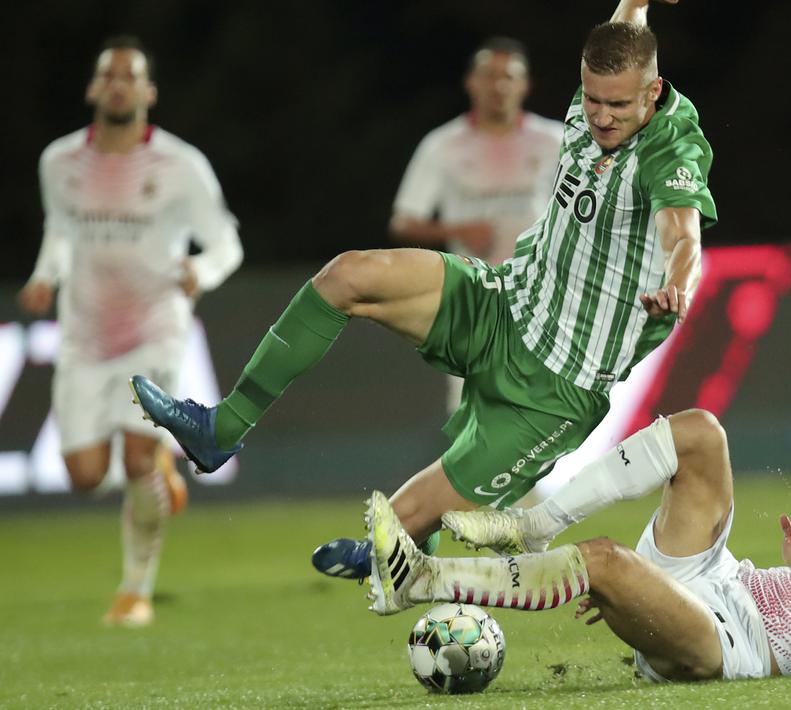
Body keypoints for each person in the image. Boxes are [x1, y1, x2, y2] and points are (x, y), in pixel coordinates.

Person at [131, 0, 714, 571]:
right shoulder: (611, 79)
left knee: (397, 529)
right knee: (347, 275)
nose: (601, 117)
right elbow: (627, 25)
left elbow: (681, 234)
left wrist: (679, 284)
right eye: (591, 99)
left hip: (554, 391)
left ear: (653, 92)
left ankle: (399, 550)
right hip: (504, 301)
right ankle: (220, 430)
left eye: (617, 105)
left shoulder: (669, 151)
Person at [365, 409, 791, 682]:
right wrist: (645, 598)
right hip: (719, 582)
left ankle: (420, 580)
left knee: (601, 558)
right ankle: (537, 524)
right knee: (698, 433)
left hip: (734, 643)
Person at [18, 36, 243, 627]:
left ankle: (134, 590)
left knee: (138, 460)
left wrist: (203, 269)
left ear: (148, 92)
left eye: (130, 75)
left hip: (155, 328)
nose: (118, 83)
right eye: (107, 74)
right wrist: (45, 277)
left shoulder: (180, 164)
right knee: (85, 475)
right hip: (84, 335)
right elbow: (61, 230)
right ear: (94, 88)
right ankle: (161, 470)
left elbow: (226, 241)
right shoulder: (58, 161)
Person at [389, 37, 564, 413]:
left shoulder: (555, 140)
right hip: (474, 294)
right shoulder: (442, 145)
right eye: (488, 75)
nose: (498, 85)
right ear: (471, 82)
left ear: (525, 85)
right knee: (474, 407)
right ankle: (474, 471)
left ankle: (550, 475)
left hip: (543, 291)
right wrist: (457, 230)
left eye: (508, 76)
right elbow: (403, 222)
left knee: (545, 402)